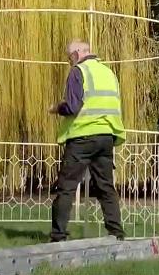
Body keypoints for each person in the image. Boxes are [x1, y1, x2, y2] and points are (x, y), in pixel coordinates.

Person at [47, 40, 126, 242]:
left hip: (82, 136)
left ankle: (58, 236)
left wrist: (57, 108)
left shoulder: (78, 72)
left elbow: (73, 107)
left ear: (77, 53)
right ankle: (116, 234)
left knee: (67, 187)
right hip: (106, 135)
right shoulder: (109, 73)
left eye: (69, 57)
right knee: (106, 186)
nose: (69, 61)